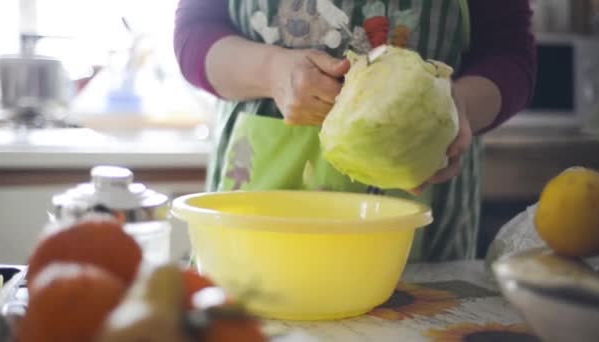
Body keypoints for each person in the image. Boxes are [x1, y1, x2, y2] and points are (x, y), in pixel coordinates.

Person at [174, 0, 536, 262]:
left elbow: (510, 54)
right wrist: (271, 71)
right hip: (257, 193)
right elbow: (195, 33)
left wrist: (459, 108)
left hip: (424, 210)